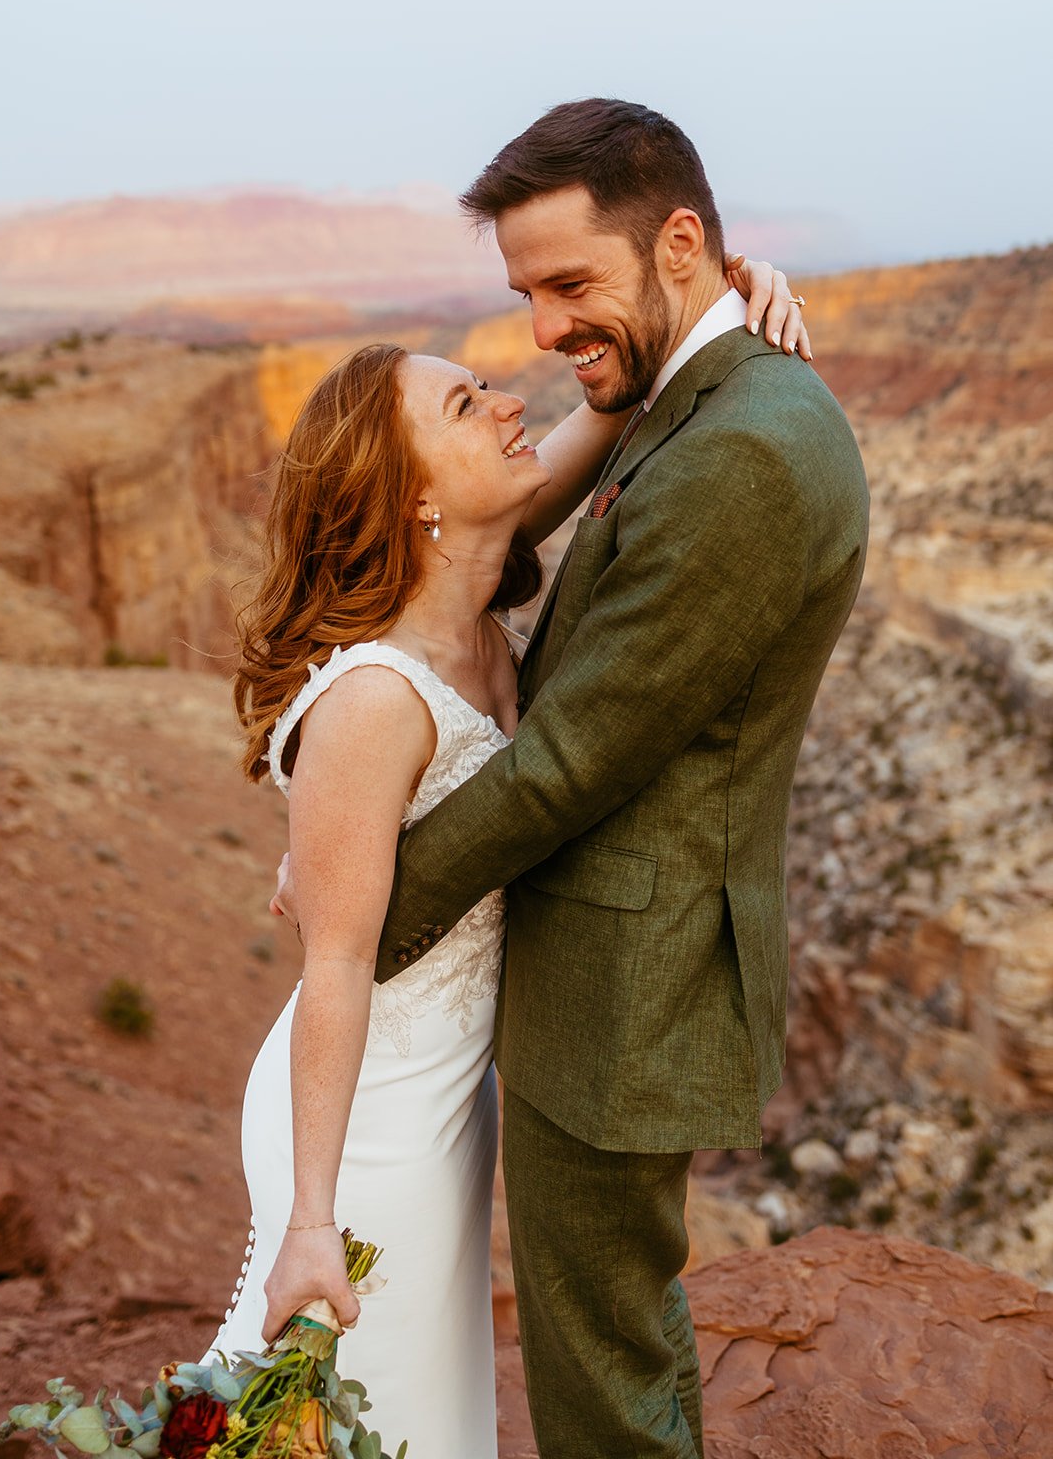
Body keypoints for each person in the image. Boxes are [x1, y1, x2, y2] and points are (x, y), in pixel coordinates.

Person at [285, 99, 869, 1459]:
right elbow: (509, 512)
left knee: (599, 1392)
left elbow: (568, 765)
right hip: (593, 987)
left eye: (568, 286)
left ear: (678, 246)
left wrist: (355, 908)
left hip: (626, 999)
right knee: (614, 1342)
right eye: (524, 294)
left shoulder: (746, 452)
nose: (541, 332)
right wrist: (723, 298)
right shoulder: (696, 396)